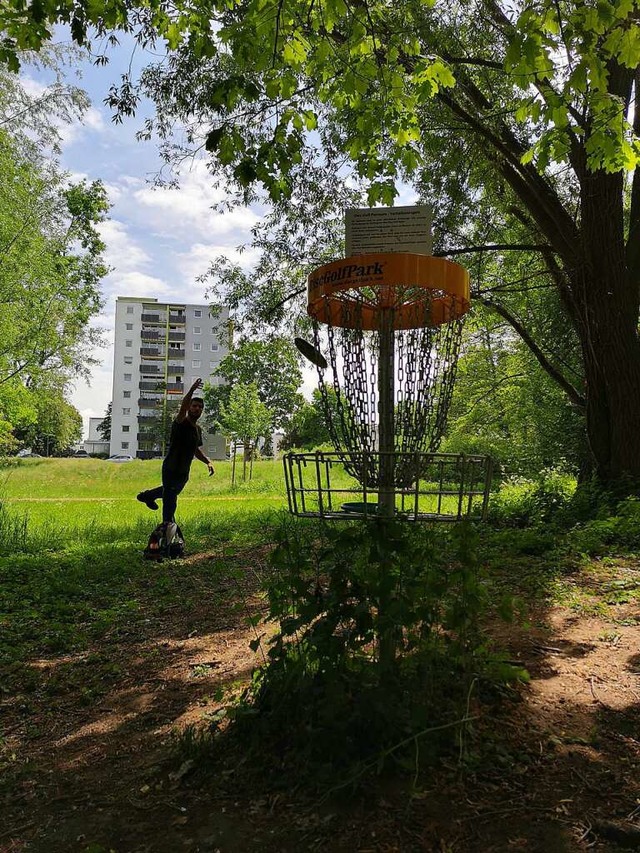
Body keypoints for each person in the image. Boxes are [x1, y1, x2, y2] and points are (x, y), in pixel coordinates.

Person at [137, 378, 214, 523]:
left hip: (184, 471)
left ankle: (146, 496)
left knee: (171, 492)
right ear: (189, 407)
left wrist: (208, 462)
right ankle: (168, 525)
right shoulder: (181, 422)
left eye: (200, 407)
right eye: (194, 406)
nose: (197, 409)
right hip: (171, 467)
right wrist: (191, 390)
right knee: (170, 498)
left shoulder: (197, 429)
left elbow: (196, 449)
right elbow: (183, 408)